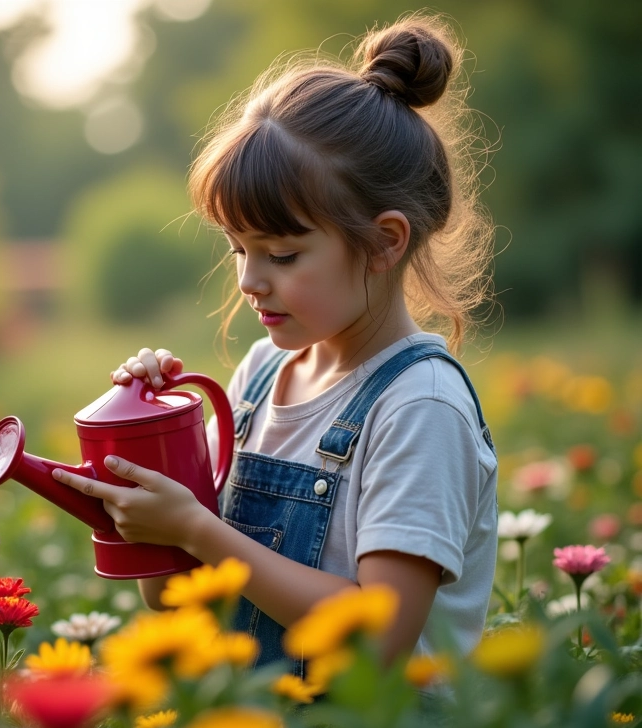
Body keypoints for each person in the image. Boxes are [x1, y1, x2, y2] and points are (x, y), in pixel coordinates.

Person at [53, 12, 499, 676]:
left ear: (385, 241)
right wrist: (151, 438)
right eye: (238, 249)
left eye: (283, 255)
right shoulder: (261, 375)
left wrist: (198, 529)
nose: (250, 280)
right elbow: (169, 596)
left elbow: (377, 642)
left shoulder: (418, 407)